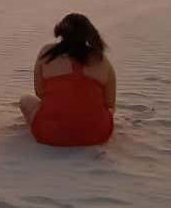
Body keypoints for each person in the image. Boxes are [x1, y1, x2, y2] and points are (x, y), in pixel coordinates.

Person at [19, 13, 115, 146]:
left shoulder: (47, 53)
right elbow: (109, 102)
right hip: (96, 135)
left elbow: (40, 92)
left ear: (61, 32)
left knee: (25, 100)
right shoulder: (102, 60)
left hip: (49, 133)